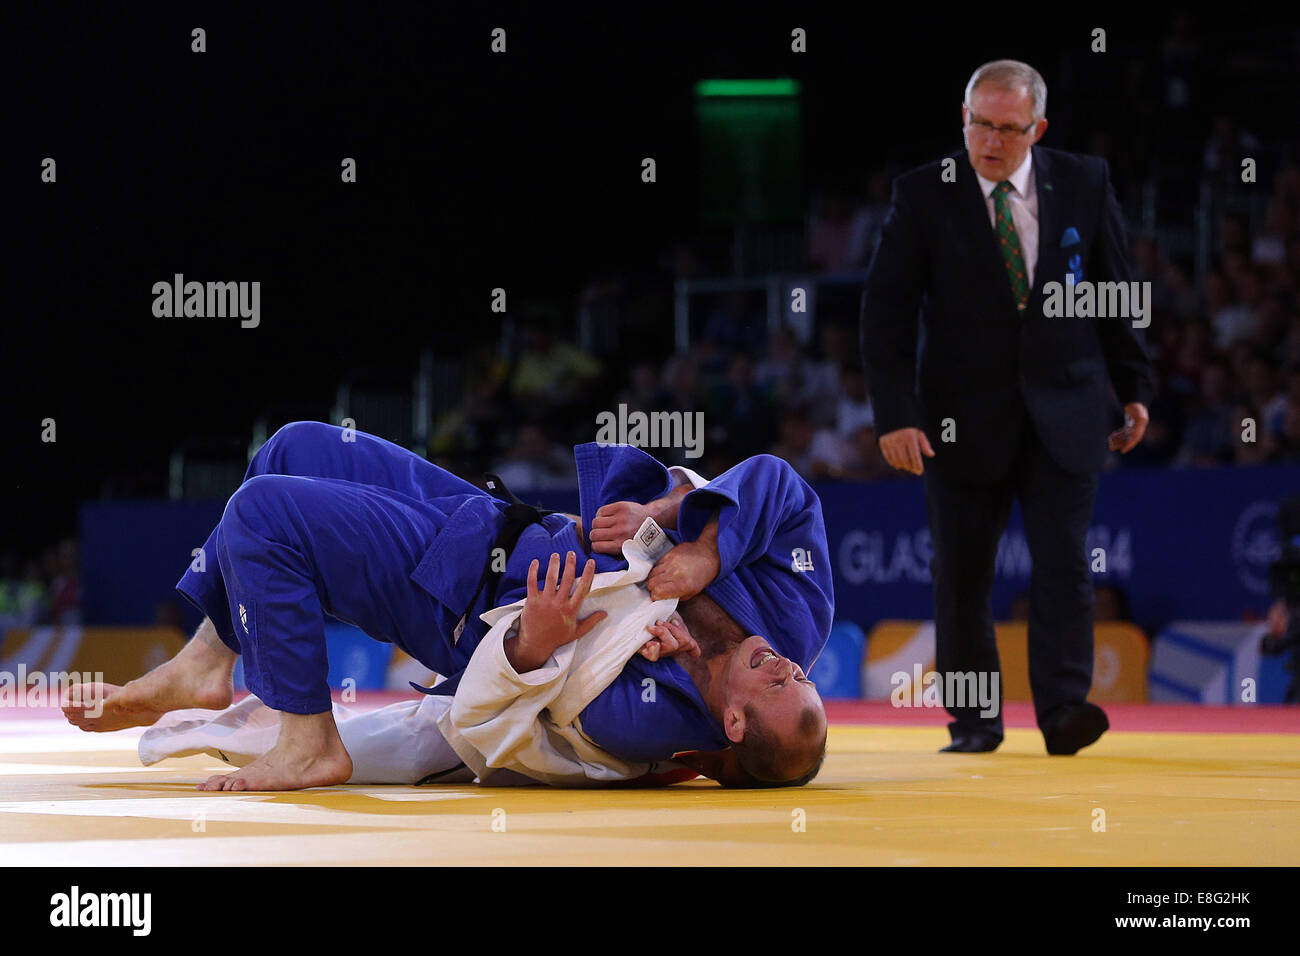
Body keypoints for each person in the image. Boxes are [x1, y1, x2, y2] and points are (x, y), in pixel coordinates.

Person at [64, 421, 831, 788]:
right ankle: (206, 661)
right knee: (290, 446)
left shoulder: (642, 722)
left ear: (733, 726)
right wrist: (685, 536)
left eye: (779, 686)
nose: (790, 665)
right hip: (494, 525)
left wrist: (535, 642)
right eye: (803, 676)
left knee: (265, 512)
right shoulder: (798, 617)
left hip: (452, 601)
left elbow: (490, 718)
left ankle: (307, 741)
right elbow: (783, 489)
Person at [860, 60, 1152, 755]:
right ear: (964, 118)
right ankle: (975, 722)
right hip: (959, 420)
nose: (989, 140)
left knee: (1065, 566)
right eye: (978, 124)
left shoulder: (1084, 181)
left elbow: (1116, 289)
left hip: (1068, 408)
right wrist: (895, 414)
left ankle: (1063, 711)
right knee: (962, 575)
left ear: (1037, 127)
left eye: (1007, 128)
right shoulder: (925, 193)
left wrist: (1134, 386)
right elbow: (886, 315)